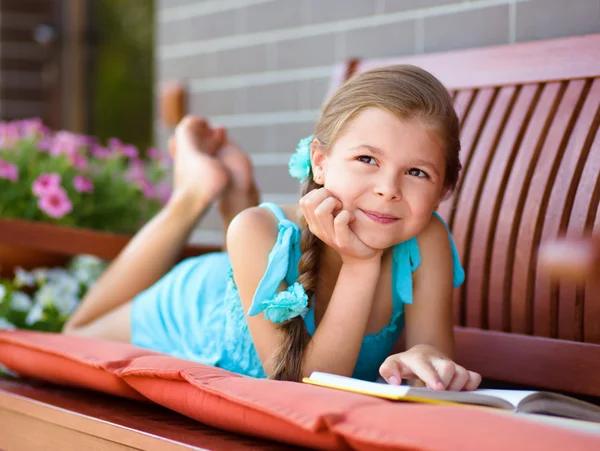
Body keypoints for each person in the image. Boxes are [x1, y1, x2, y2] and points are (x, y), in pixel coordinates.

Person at [63, 65, 482, 391]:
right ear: (320, 161)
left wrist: (427, 359)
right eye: (367, 160)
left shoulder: (425, 238)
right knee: (74, 334)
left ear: (444, 188)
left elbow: (432, 354)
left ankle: (234, 189)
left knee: (256, 240)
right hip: (194, 306)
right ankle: (193, 193)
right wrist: (361, 264)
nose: (388, 190)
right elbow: (306, 387)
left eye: (416, 172)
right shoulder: (255, 232)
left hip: (259, 264)